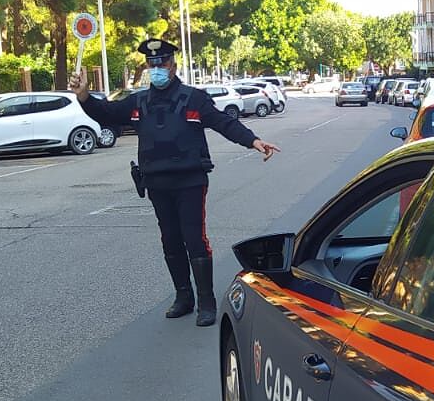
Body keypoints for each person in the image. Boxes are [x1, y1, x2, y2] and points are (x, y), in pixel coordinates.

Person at [71, 37, 279, 327]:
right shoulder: (139, 101)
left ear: (173, 64)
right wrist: (83, 96)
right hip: (156, 182)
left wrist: (252, 141)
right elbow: (106, 113)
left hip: (190, 181)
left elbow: (224, 123)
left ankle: (206, 301)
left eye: (162, 63)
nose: (157, 68)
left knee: (194, 239)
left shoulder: (194, 98)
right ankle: (184, 296)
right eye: (151, 63)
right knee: (170, 240)